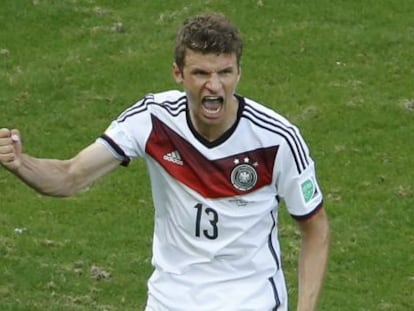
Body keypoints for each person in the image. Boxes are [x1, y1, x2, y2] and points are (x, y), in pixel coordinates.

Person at [0, 12, 329, 311]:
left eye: (224, 73)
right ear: (178, 73)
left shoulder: (277, 140)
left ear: (239, 73)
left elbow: (315, 230)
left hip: (250, 302)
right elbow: (71, 176)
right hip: (171, 301)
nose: (214, 86)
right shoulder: (153, 120)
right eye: (200, 73)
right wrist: (21, 163)